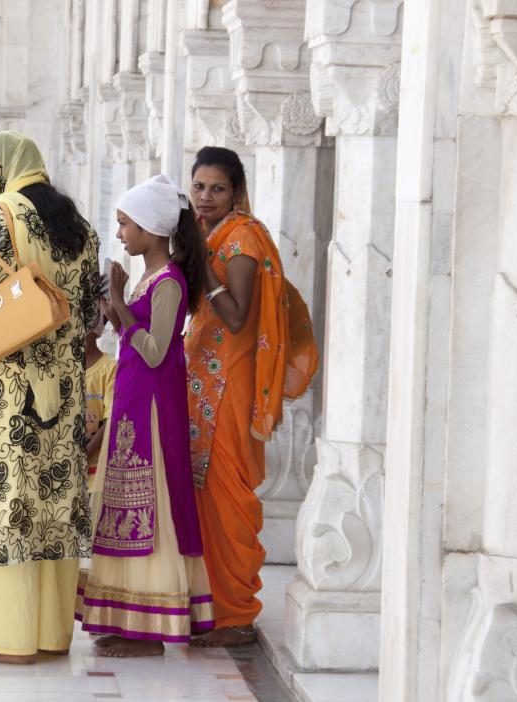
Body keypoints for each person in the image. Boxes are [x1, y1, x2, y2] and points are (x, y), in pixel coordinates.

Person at [0, 130, 101, 664]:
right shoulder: (81, 229)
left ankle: (4, 639)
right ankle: (51, 634)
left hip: (5, 395)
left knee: (3, 506)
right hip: (66, 394)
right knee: (51, 503)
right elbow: (93, 314)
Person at [184, 146, 317, 647]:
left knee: (228, 497)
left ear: (237, 192)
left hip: (230, 386)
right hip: (205, 383)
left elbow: (236, 315)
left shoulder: (240, 239)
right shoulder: (210, 235)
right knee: (206, 497)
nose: (206, 197)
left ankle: (236, 614)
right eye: (199, 187)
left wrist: (203, 263)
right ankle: (211, 607)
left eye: (218, 189)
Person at [76, 175, 214, 657]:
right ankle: (129, 617)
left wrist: (118, 303)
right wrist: (115, 307)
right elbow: (132, 336)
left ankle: (152, 630)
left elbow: (155, 351)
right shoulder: (150, 277)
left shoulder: (170, 282)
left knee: (149, 507)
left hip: (153, 412)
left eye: (124, 224)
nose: (119, 234)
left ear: (152, 230)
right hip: (135, 405)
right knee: (125, 506)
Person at [83, 308, 116, 489]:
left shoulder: (110, 369)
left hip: (95, 480)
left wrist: (83, 456)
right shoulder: (64, 370)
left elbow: (111, 422)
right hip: (66, 480)